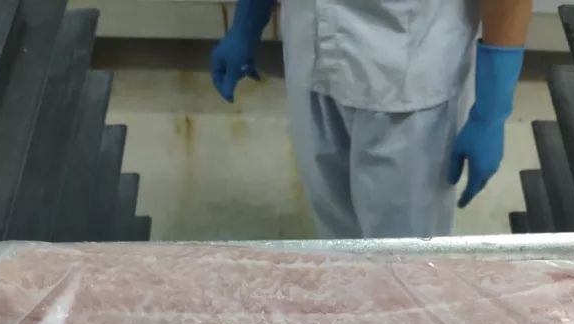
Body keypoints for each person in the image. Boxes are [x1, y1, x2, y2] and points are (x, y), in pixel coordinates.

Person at [211, 0, 531, 239]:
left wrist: (491, 111)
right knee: (336, 236)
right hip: (311, 58)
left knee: (405, 259)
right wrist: (246, 21)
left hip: (408, 82)